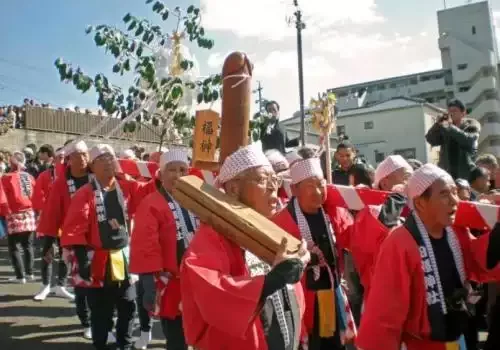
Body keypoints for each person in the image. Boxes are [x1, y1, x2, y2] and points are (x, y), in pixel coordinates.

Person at [356, 163, 500, 350]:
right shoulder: (400, 242)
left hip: (457, 340)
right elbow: (385, 313)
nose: (454, 200)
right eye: (444, 194)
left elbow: (480, 260)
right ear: (420, 203)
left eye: (454, 192)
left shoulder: (456, 233)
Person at [181, 143, 310, 350]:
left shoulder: (273, 229)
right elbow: (212, 294)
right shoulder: (212, 236)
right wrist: (272, 280)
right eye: (261, 180)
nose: (271, 187)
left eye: (274, 180)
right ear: (233, 189)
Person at [272, 153, 357, 349]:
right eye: (311, 186)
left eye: (321, 185)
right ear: (294, 189)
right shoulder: (281, 221)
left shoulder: (333, 212)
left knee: (336, 343)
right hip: (304, 297)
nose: (319, 192)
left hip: (332, 292)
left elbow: (355, 239)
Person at [61, 144, 140, 350]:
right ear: (92, 167)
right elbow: (75, 227)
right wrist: (82, 258)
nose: (107, 162)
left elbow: (151, 191)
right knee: (100, 312)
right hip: (98, 260)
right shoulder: (84, 193)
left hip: (125, 257)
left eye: (111, 157)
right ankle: (100, 344)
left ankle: (125, 344)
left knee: (128, 306)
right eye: (101, 159)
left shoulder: (128, 187)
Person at [130, 149, 198, 350]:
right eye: (172, 170)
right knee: (176, 337)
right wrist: (149, 284)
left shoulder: (198, 201)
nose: (178, 175)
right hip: (172, 282)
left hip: (198, 280)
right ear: (161, 173)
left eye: (183, 170)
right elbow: (146, 245)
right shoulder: (151, 204)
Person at [33, 141, 89, 302]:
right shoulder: (56, 179)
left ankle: (61, 285)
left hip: (89, 232)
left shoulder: (94, 176)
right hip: (63, 225)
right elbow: (49, 207)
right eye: (61, 157)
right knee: (49, 253)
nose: (83, 159)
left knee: (72, 263)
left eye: (85, 155)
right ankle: (45, 285)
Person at [2, 151, 36, 283]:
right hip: (29, 212)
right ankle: (30, 273)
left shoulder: (7, 177)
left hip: (13, 213)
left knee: (14, 246)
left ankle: (20, 276)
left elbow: (3, 197)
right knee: (28, 245)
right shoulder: (29, 177)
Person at [425, 99, 480, 180]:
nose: (451, 113)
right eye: (450, 111)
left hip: (466, 174)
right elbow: (430, 139)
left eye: (455, 111)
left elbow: (468, 140)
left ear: (463, 113)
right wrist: (438, 124)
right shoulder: (445, 126)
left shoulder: (472, 126)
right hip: (447, 174)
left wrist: (448, 126)